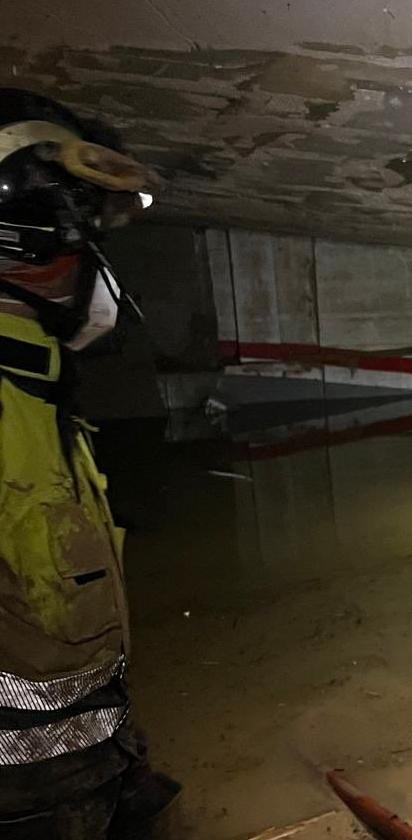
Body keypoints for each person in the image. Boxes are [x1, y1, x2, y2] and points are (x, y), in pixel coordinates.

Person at [0, 89, 179, 839]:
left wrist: (115, 762)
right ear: (27, 239)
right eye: (84, 235)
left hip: (81, 778)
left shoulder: (33, 389)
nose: (95, 265)